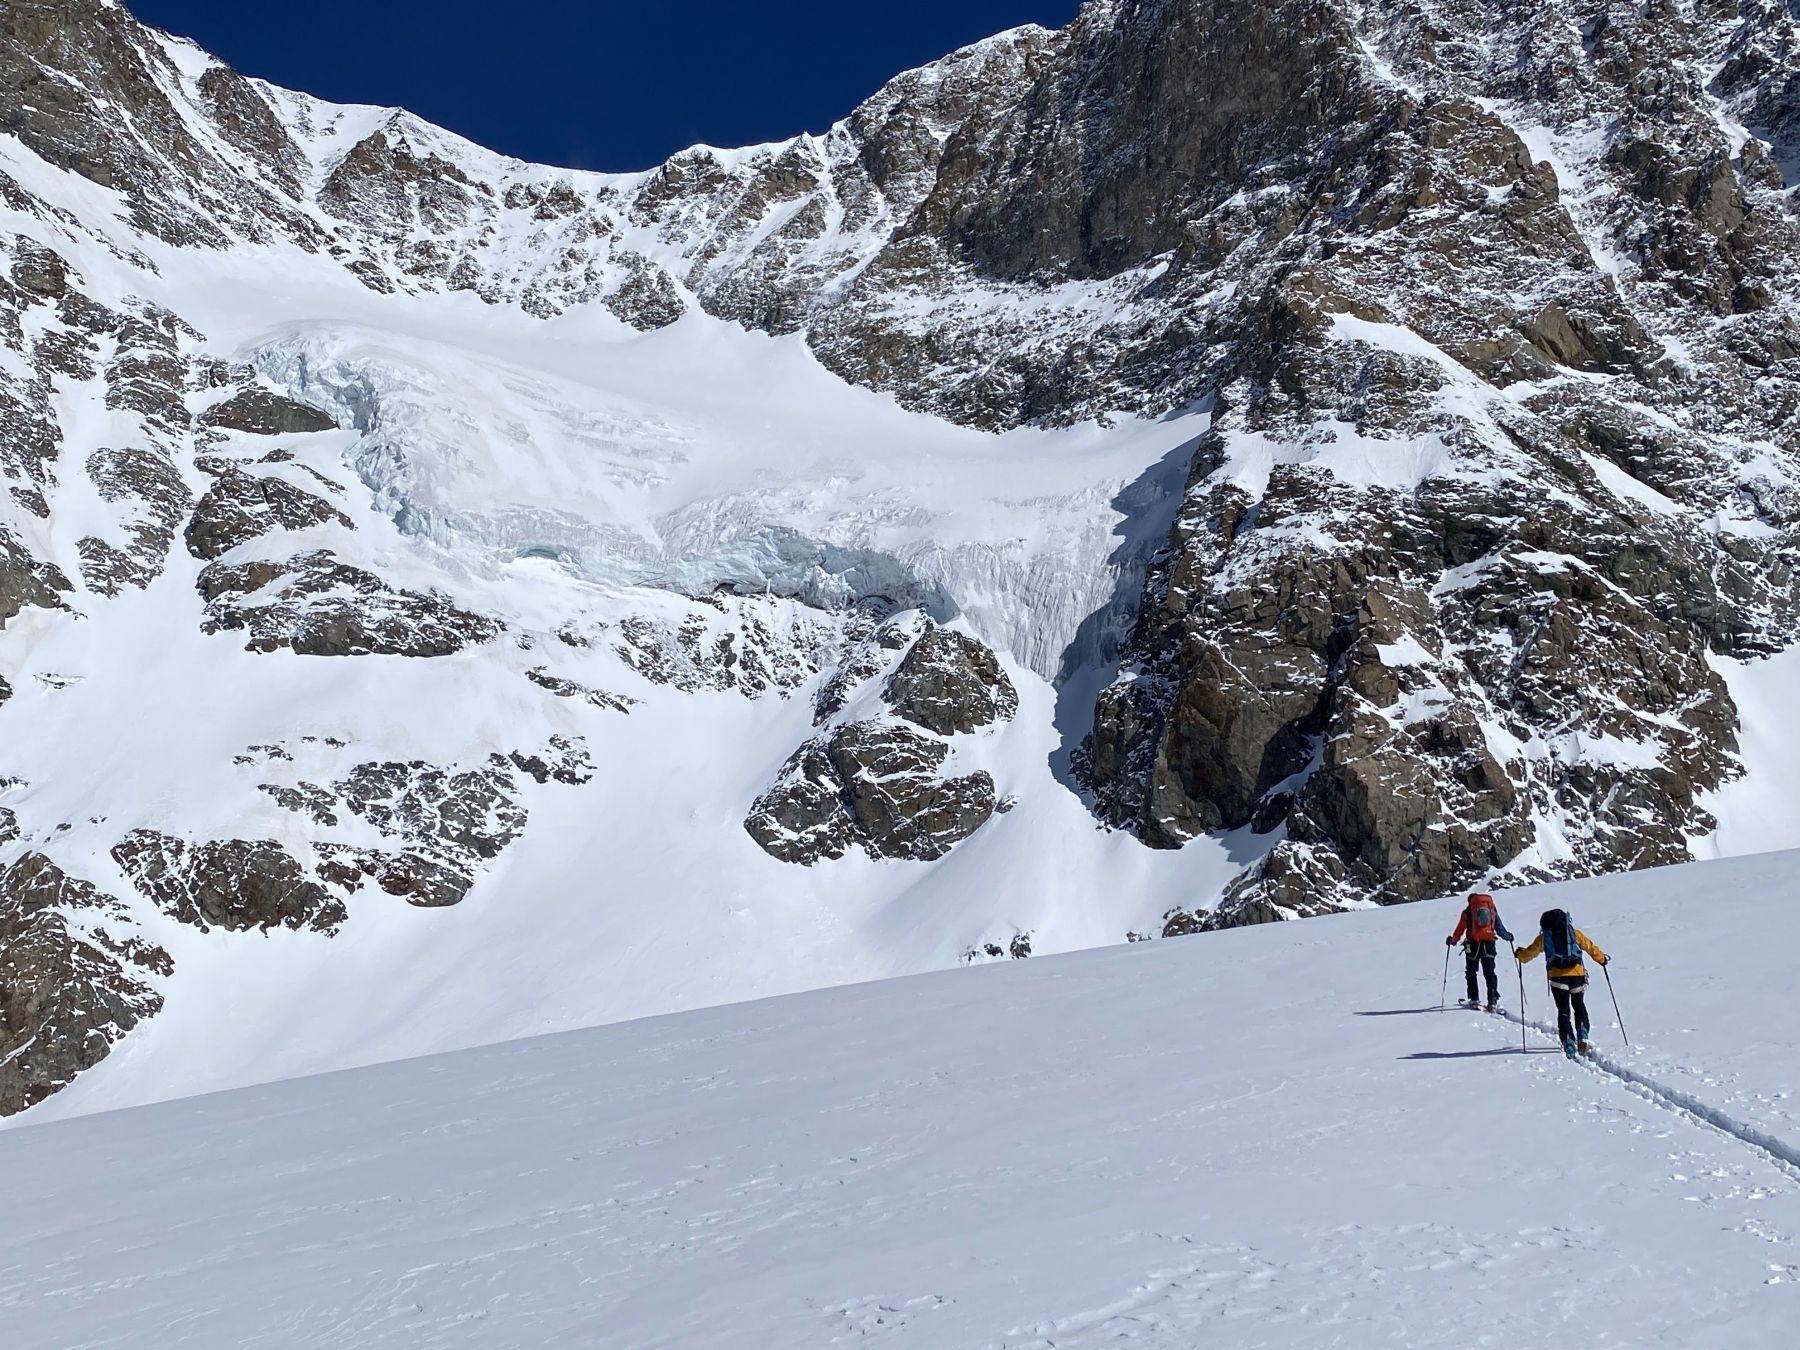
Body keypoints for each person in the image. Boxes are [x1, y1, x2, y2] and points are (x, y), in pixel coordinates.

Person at [1516, 908, 1609, 1057]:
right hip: (1577, 974)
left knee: (1563, 1010)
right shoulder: (1573, 933)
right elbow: (1589, 946)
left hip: (1557, 976)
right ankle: (1583, 1035)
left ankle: (1568, 1042)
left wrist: (1520, 955)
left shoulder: (1544, 937)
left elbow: (1528, 954)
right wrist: (1602, 959)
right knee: (1579, 1005)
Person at [1445, 892, 1513, 1011]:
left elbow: (1460, 929)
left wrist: (1453, 941)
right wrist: (1508, 936)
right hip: (1489, 943)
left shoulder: (1467, 912)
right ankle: (1492, 1000)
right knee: (1489, 972)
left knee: (1471, 971)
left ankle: (1474, 999)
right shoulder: (1492, 910)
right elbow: (1500, 928)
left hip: (1472, 944)